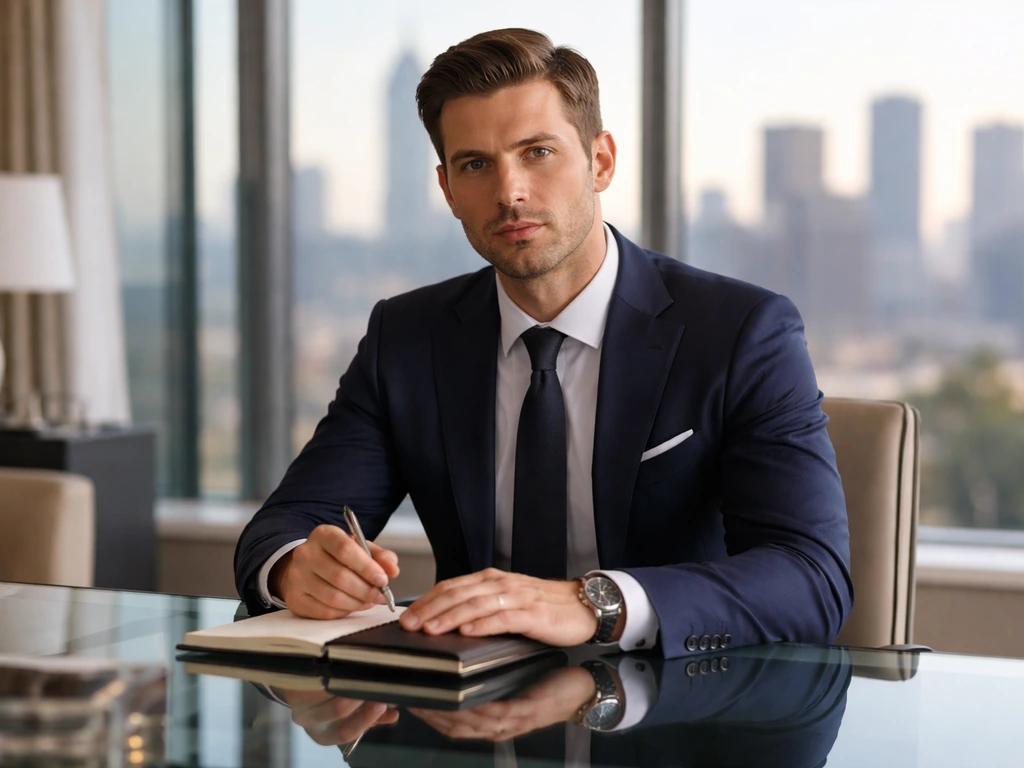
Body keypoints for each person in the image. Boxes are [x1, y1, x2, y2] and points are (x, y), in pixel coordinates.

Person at [233, 27, 853, 659]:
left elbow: (810, 577)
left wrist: (595, 602)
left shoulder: (740, 332)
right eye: (476, 165)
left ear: (601, 161)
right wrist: (295, 570)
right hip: (471, 720)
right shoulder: (407, 337)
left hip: (671, 720)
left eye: (537, 152)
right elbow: (285, 525)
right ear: (447, 189)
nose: (510, 193)